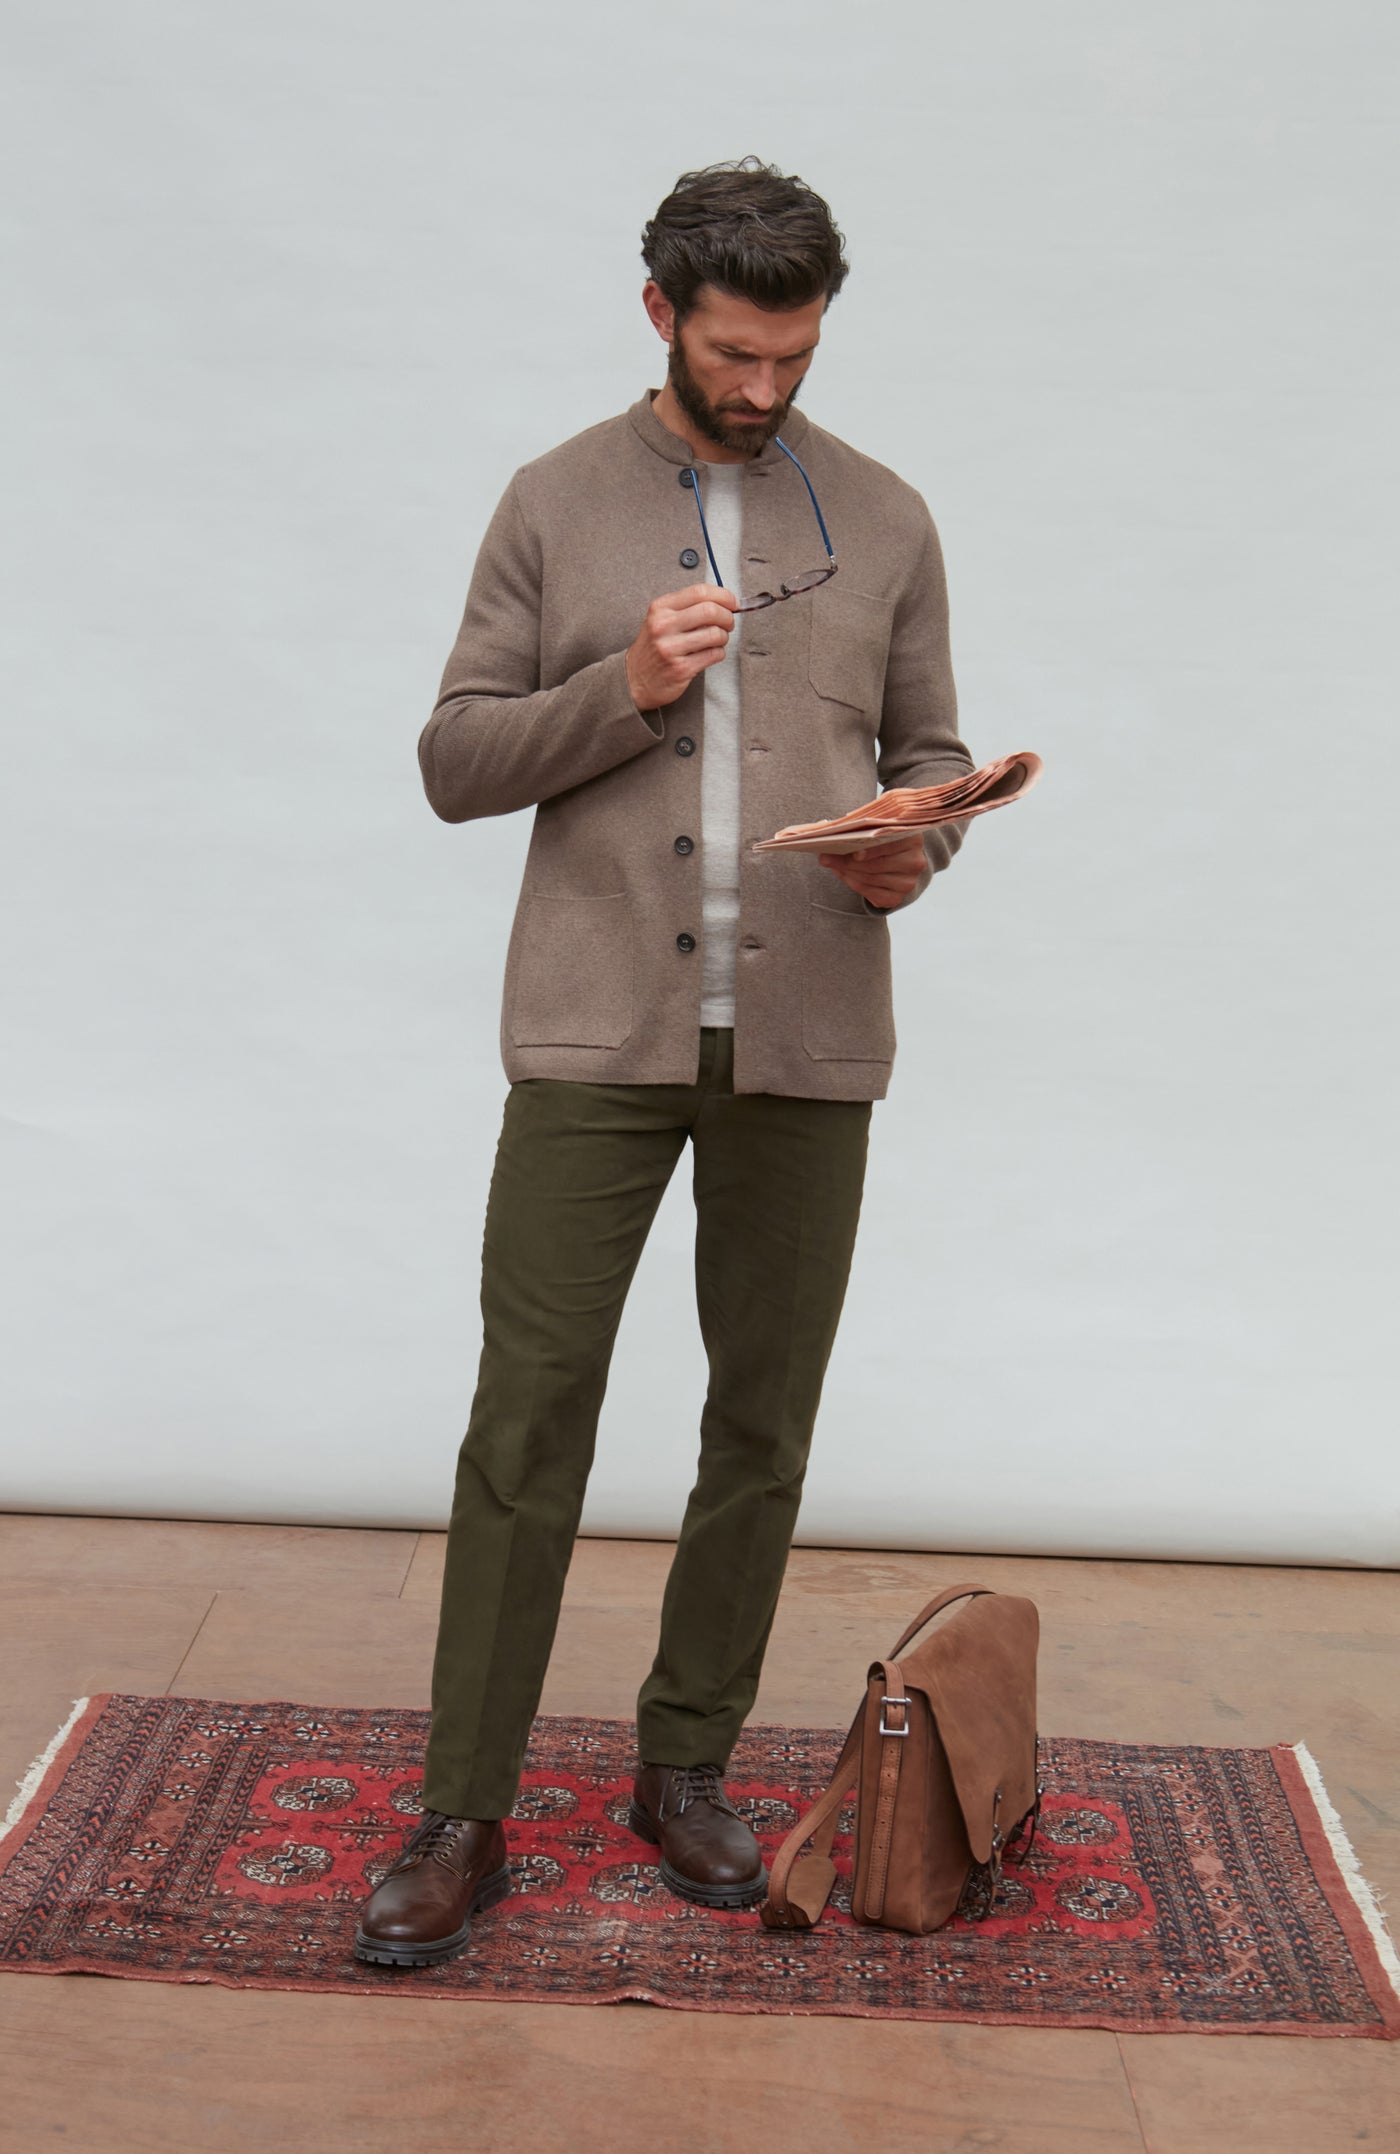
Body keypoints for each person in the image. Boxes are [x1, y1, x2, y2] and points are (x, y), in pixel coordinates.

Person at [354, 157, 976, 1968]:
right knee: (528, 1412)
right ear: (660, 315)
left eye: (795, 354)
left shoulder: (889, 516)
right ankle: (463, 1806)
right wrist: (620, 685)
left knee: (760, 1422)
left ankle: (684, 1762)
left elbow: (934, 753)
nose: (764, 385)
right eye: (732, 353)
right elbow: (454, 760)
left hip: (812, 1030)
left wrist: (920, 842)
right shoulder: (553, 500)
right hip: (593, 1031)